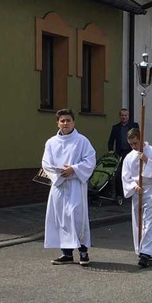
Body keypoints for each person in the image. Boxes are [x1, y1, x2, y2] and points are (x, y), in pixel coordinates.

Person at [43, 109, 96, 266]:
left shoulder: (82, 141)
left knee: (77, 217)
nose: (65, 123)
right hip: (59, 185)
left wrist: (74, 169)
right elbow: (46, 163)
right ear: (57, 123)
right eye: (62, 120)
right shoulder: (51, 142)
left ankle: (83, 252)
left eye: (68, 120)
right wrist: (58, 174)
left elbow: (90, 160)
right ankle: (66, 253)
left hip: (75, 184)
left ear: (74, 122)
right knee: (61, 218)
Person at [122, 129, 152, 268]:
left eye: (135, 143)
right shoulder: (129, 157)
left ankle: (146, 252)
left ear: (141, 139)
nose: (134, 147)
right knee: (139, 221)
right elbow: (126, 176)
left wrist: (146, 160)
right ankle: (141, 249)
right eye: (131, 144)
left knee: (150, 222)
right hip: (138, 190)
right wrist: (133, 186)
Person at [107, 108, 138, 205]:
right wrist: (111, 150)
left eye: (126, 115)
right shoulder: (115, 127)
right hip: (120, 154)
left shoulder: (134, 126)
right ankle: (120, 194)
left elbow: (139, 137)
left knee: (133, 173)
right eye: (122, 115)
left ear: (128, 116)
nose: (124, 117)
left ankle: (133, 192)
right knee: (119, 174)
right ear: (120, 116)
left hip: (132, 152)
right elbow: (111, 140)